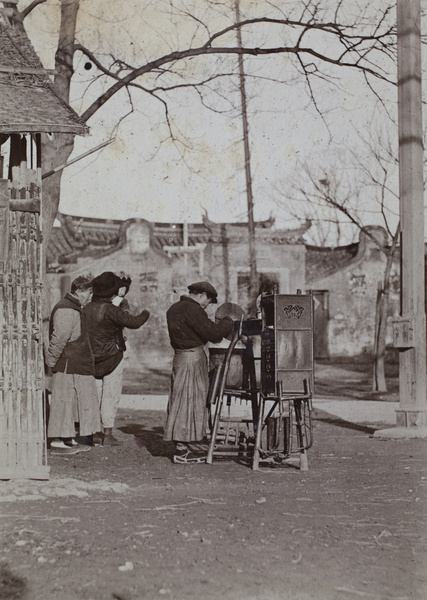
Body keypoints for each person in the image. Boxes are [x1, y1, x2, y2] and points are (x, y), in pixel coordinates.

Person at [164, 281, 234, 464]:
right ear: (202, 295)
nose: (206, 306)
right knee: (190, 401)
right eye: (208, 302)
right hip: (192, 360)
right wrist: (228, 321)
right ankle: (181, 450)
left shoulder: (174, 308)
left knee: (180, 400)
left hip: (180, 358)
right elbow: (214, 334)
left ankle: (182, 446)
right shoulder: (193, 310)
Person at [84, 271, 150, 446]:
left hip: (91, 357)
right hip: (112, 357)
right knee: (111, 395)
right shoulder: (111, 310)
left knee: (95, 394)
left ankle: (94, 432)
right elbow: (134, 322)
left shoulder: (86, 309)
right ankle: (107, 434)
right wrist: (146, 313)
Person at [45, 276, 101, 454]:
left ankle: (67, 438)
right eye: (89, 293)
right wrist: (52, 362)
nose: (91, 296)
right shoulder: (66, 310)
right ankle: (57, 442)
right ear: (79, 292)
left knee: (69, 402)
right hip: (67, 364)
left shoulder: (74, 307)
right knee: (63, 401)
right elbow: (59, 339)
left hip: (75, 363)